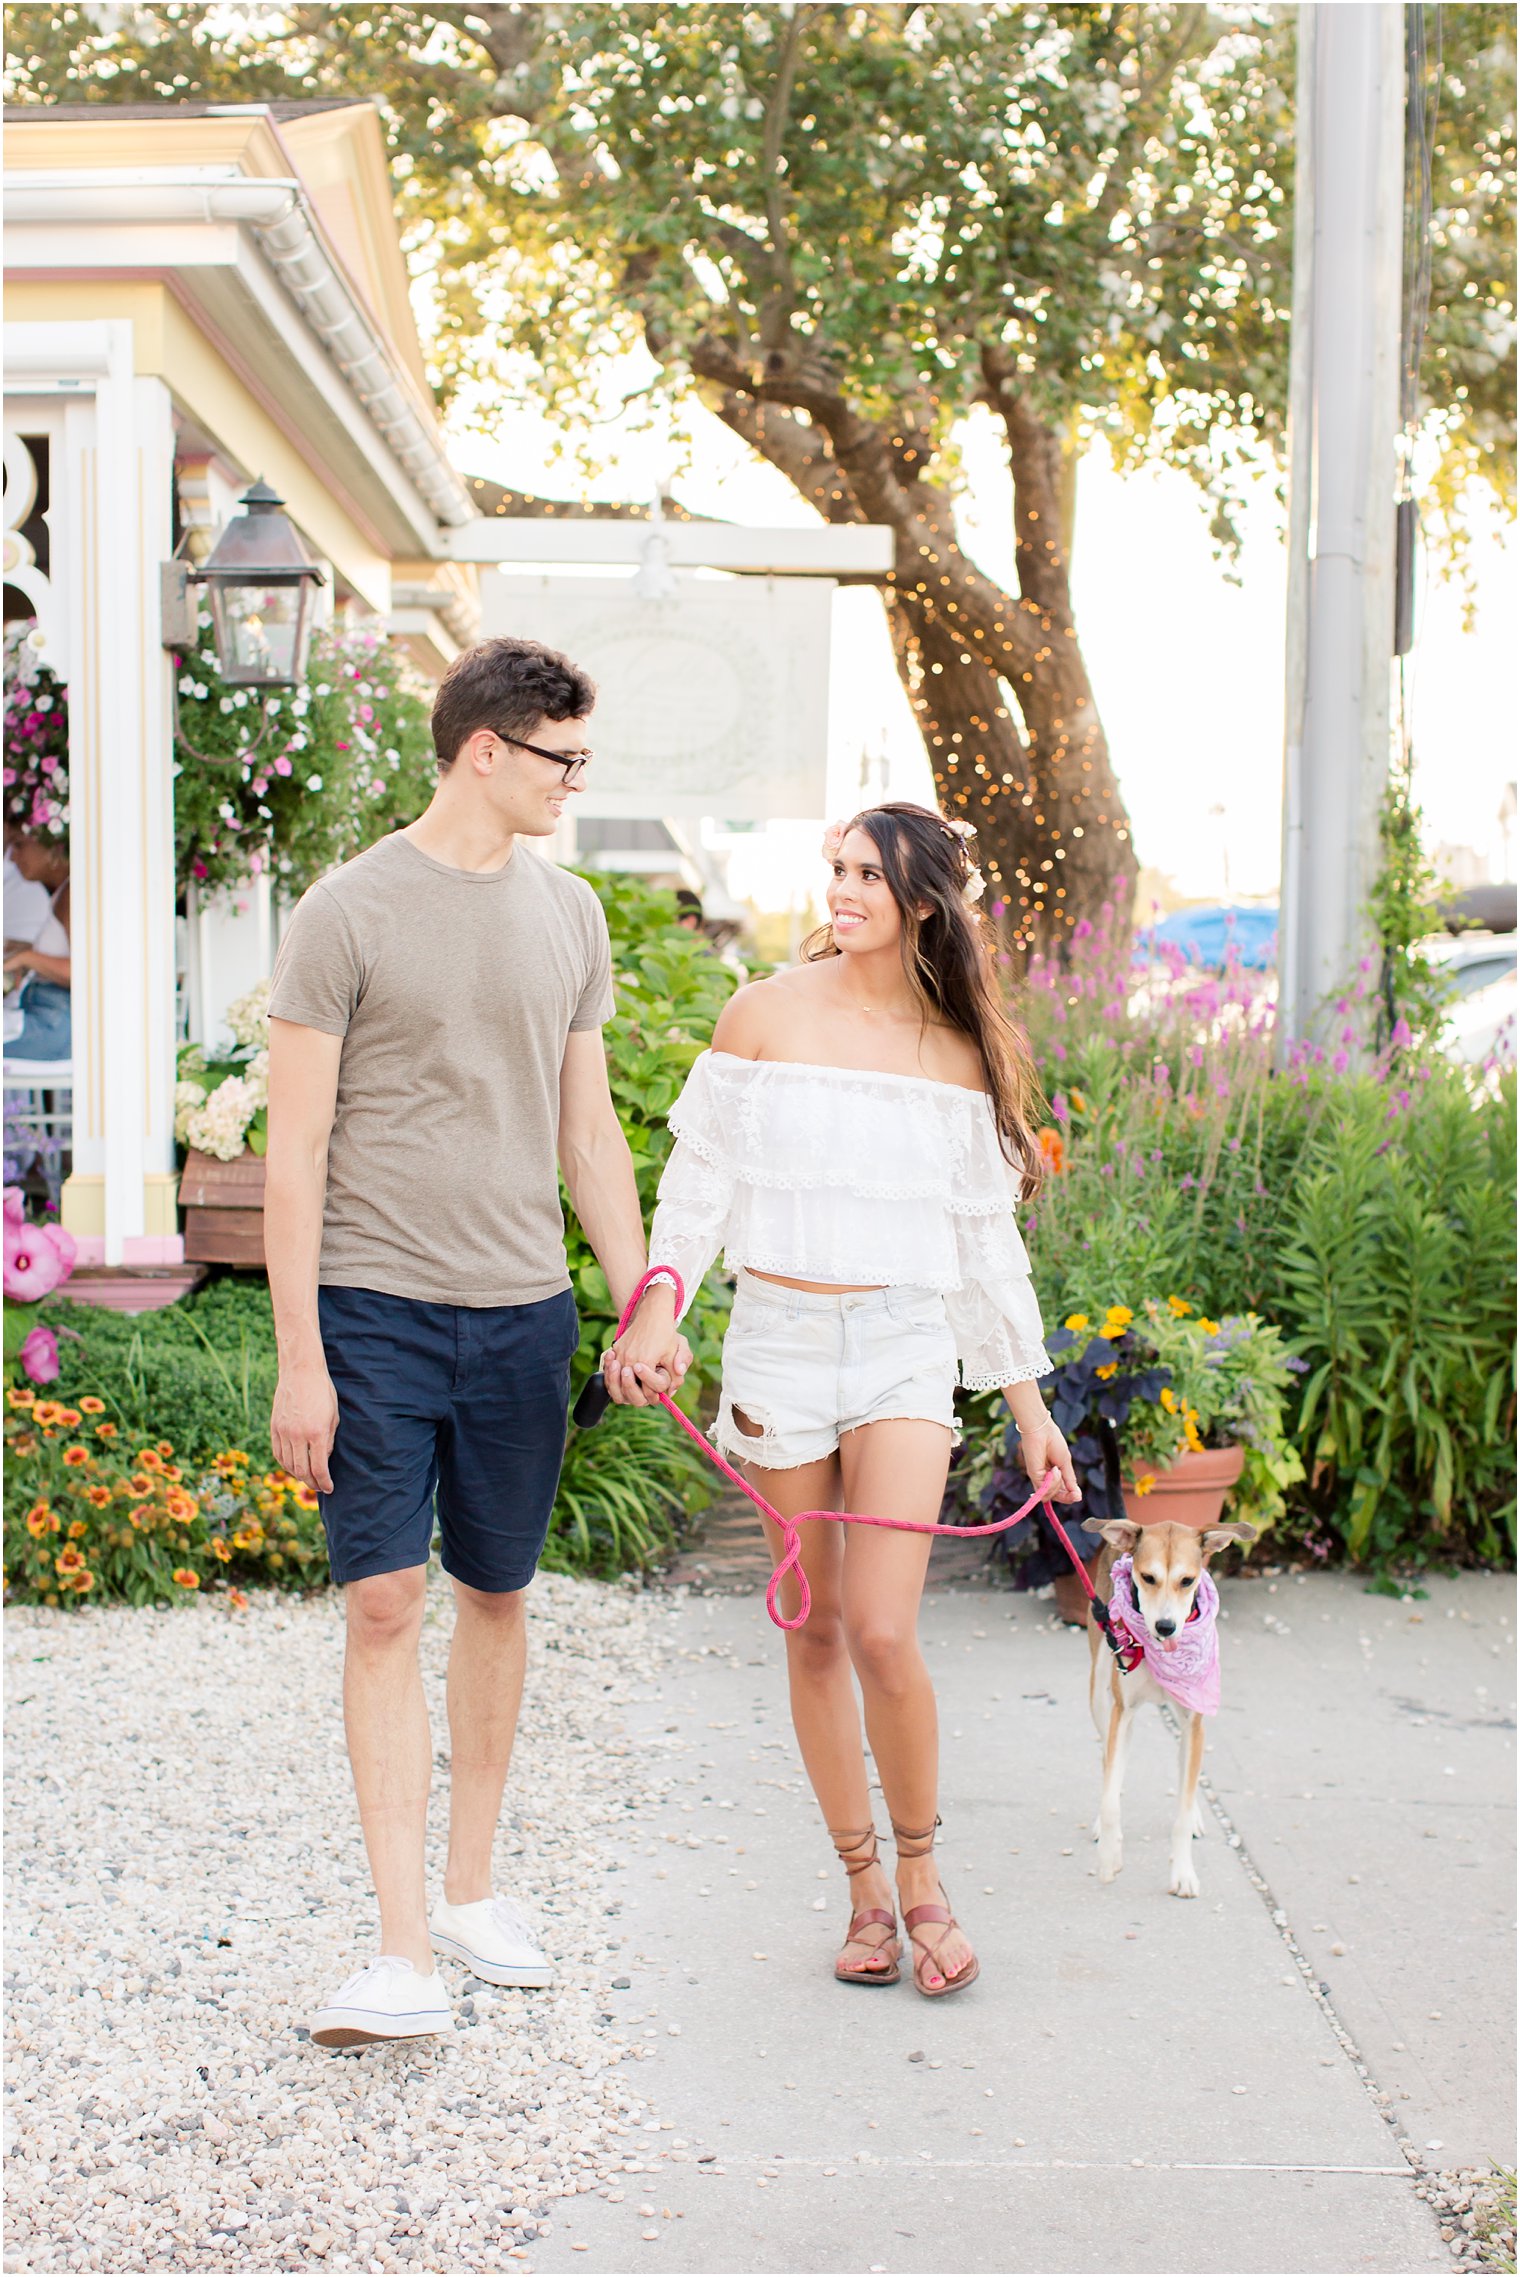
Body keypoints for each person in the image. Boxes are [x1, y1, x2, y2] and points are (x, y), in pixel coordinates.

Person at [264, 635, 687, 2049]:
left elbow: (590, 1134)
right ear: (486, 752)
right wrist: (299, 1359)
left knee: (498, 1596)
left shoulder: (570, 915)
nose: (579, 782)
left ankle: (469, 1894)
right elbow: (297, 1150)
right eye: (565, 758)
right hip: (374, 1312)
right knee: (386, 1604)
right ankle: (397, 1954)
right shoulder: (346, 911)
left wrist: (641, 1298)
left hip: (521, 1317)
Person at [615, 803, 1081, 1997]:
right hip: (776, 1340)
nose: (840, 891)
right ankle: (864, 1891)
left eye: (865, 875)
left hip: (902, 1341)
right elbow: (698, 1188)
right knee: (812, 1627)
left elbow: (986, 1250)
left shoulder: (958, 1050)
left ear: (922, 900)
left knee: (881, 1627)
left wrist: (1030, 1413)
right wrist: (660, 1306)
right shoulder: (762, 1014)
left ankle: (924, 1881)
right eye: (832, 868)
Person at [2, 829, 70, 1060]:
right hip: (44, 1014)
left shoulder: (75, 894)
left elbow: (85, 973)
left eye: (19, 845)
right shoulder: (63, 891)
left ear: (52, 846)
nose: (12, 857)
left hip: (53, 1024)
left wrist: (26, 957)